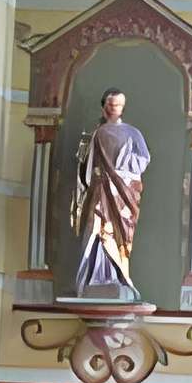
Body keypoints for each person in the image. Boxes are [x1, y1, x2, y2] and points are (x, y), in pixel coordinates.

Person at [69, 87, 149, 298]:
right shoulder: (97, 134)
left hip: (123, 196)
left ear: (122, 108)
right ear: (104, 107)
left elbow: (143, 162)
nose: (113, 109)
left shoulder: (133, 134)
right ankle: (97, 278)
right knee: (98, 231)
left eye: (117, 105)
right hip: (101, 193)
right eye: (110, 105)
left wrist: (122, 173)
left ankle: (117, 277)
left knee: (118, 234)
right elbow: (86, 170)